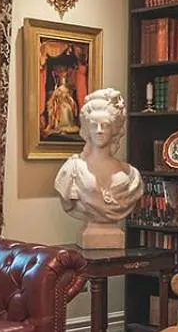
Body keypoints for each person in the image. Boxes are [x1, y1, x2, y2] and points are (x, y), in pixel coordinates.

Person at [54, 88, 142, 247]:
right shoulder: (72, 170)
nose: (99, 131)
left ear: (114, 128)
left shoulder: (131, 176)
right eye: (94, 125)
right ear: (86, 129)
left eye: (105, 125)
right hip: (88, 237)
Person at [42, 60, 81, 137]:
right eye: (59, 70)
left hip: (65, 101)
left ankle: (68, 124)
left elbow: (69, 93)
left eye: (63, 70)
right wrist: (56, 96)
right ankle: (56, 125)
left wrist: (67, 97)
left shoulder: (68, 82)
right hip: (57, 102)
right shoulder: (54, 82)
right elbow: (53, 95)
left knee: (67, 108)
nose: (61, 73)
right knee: (58, 108)